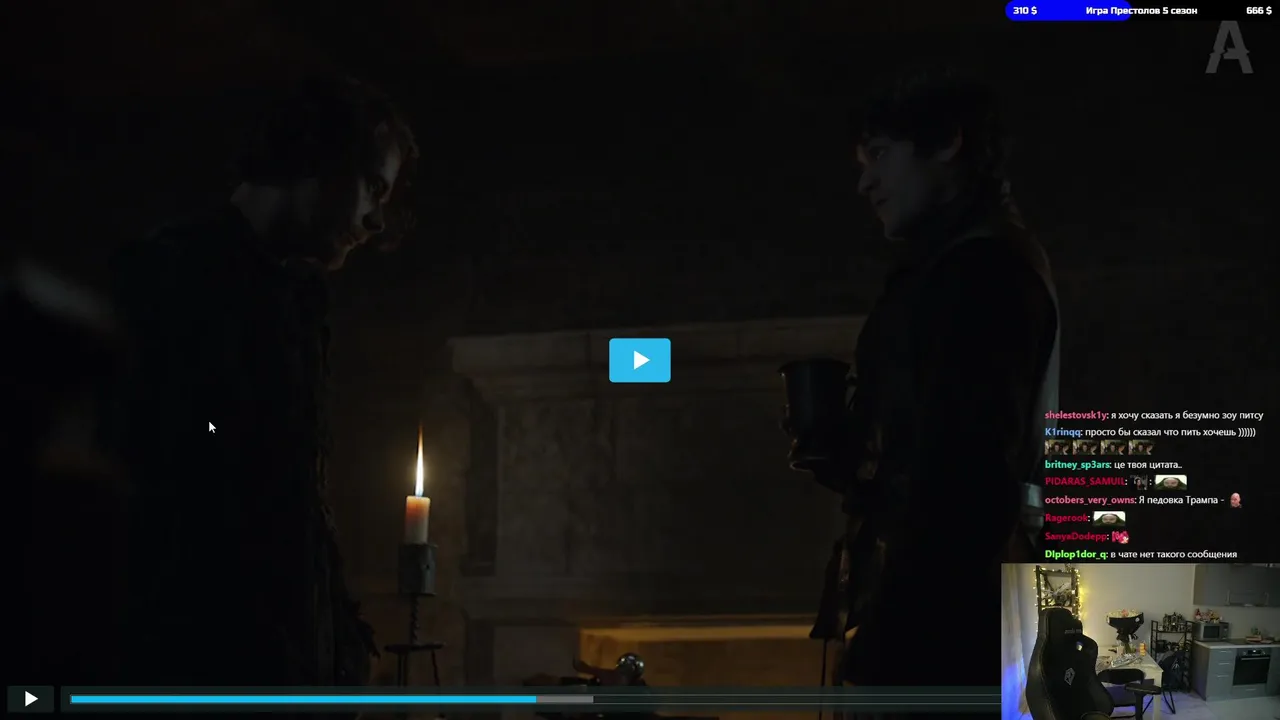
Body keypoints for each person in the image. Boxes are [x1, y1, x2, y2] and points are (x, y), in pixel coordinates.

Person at [110, 76, 418, 704]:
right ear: (320, 158)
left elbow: (295, 488)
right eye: (373, 187)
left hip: (286, 665)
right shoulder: (172, 272)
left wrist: (340, 638)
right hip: (198, 659)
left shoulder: (301, 299)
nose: (374, 220)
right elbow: (168, 456)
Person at [822, 68, 1060, 706]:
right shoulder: (960, 263)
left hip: (944, 626)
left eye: (879, 154)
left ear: (948, 143)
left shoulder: (980, 268)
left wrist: (895, 631)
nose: (865, 181)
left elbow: (966, 474)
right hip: (941, 616)